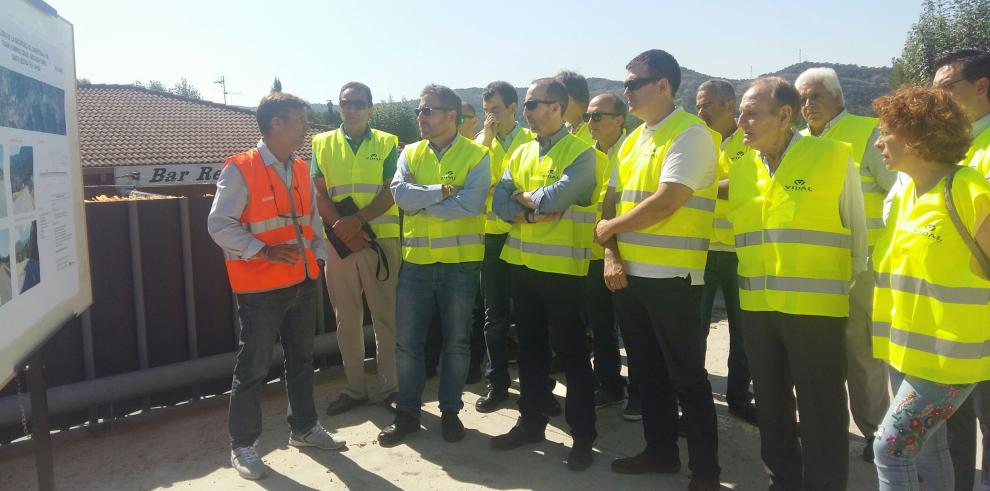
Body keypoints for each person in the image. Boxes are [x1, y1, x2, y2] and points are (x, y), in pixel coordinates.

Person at [729, 76, 866, 490]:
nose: (742, 123)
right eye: (740, 114)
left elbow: (857, 233)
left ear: (785, 115)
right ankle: (782, 481)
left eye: (751, 114)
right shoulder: (740, 170)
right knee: (771, 405)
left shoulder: (832, 157)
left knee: (821, 407)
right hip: (757, 308)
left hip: (816, 310)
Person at [595, 49, 721, 490]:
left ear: (663, 85)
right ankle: (661, 452)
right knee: (647, 374)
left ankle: (706, 470)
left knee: (686, 377)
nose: (625, 91)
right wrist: (612, 253)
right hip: (630, 277)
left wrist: (609, 228)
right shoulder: (632, 140)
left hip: (674, 279)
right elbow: (609, 201)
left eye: (633, 83)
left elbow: (668, 200)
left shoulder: (692, 135)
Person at [208, 91, 345, 480]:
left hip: (302, 281)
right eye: (299, 120)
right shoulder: (240, 168)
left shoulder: (300, 168)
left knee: (301, 360)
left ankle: (303, 428)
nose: (305, 127)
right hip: (260, 289)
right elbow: (218, 225)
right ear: (275, 125)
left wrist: (318, 255)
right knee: (252, 366)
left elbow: (312, 220)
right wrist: (261, 251)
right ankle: (244, 446)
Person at [869, 85, 990, 491]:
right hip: (904, 352)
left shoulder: (968, 189)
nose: (878, 141)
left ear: (918, 135)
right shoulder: (907, 194)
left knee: (890, 448)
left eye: (886, 131)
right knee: (926, 450)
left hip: (949, 362)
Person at [490, 77, 605, 471]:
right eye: (526, 105)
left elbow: (558, 197)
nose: (527, 112)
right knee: (530, 349)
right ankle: (532, 421)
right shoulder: (521, 152)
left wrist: (522, 199)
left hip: (562, 271)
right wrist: (528, 206)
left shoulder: (583, 154)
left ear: (557, 106)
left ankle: (583, 436)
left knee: (572, 354)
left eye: (534, 104)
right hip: (522, 267)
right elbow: (498, 202)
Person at [379, 84, 491, 446]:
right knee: (408, 344)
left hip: (460, 266)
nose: (420, 117)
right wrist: (440, 192)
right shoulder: (409, 153)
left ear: (451, 116)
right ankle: (408, 414)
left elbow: (471, 206)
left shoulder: (476, 155)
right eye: (418, 111)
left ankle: (450, 412)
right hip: (417, 264)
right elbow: (400, 196)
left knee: (457, 344)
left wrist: (420, 199)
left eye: (427, 110)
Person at [796, 67, 896, 462]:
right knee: (818, 352)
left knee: (861, 353)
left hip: (861, 266)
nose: (809, 104)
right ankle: (825, 427)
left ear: (839, 97)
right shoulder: (797, 143)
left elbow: (899, 195)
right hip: (812, 268)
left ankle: (874, 431)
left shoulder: (868, 132)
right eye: (802, 98)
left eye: (816, 95)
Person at [311, 82, 400, 416]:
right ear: (339, 106)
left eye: (359, 104)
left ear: (370, 108)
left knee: (385, 317)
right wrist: (343, 228)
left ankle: (391, 388)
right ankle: (355, 389)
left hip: (380, 240)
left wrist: (358, 221)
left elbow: (392, 190)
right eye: (346, 103)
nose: (352, 109)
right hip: (340, 243)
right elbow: (318, 193)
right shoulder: (322, 143)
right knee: (346, 318)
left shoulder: (387, 142)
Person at [930, 47, 990, 491]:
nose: (939, 99)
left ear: (982, 88)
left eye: (948, 88)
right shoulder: (955, 150)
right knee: (954, 424)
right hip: (952, 319)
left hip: (982, 316)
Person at [694, 79, 756, 425]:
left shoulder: (747, 141)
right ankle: (695, 399)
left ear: (729, 106)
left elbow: (746, 184)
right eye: (698, 105)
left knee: (742, 330)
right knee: (695, 328)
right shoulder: (696, 141)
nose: (701, 112)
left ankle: (738, 396)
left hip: (739, 250)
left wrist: (694, 188)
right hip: (702, 249)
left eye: (708, 105)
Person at [474, 80, 536, 413]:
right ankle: (497, 382)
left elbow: (534, 188)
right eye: (486, 111)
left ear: (514, 108)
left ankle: (536, 386)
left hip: (525, 234)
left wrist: (501, 191)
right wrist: (484, 139)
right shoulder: (479, 143)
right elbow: (473, 185)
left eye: (495, 110)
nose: (491, 117)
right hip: (492, 238)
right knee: (494, 315)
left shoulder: (533, 141)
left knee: (530, 316)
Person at [584, 92, 637, 417]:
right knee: (601, 326)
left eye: (598, 116)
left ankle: (642, 391)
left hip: (628, 255)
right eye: (589, 116)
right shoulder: (585, 156)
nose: (590, 122)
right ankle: (610, 385)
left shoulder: (633, 152)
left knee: (634, 331)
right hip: (593, 255)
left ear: (619, 119)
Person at [556, 70, 595, 145]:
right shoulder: (563, 131)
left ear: (567, 98)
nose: (551, 106)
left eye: (554, 98)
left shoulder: (599, 129)